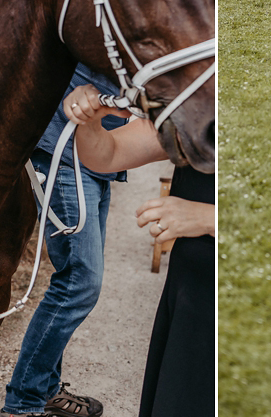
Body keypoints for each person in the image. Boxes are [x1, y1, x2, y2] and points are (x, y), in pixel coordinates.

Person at [62, 84, 214, 417]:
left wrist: (209, 218)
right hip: (189, 299)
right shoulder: (203, 102)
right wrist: (89, 123)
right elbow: (109, 154)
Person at [0, 64, 125, 417]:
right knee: (80, 282)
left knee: (78, 279)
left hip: (99, 153)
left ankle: (46, 389)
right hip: (63, 150)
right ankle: (22, 404)